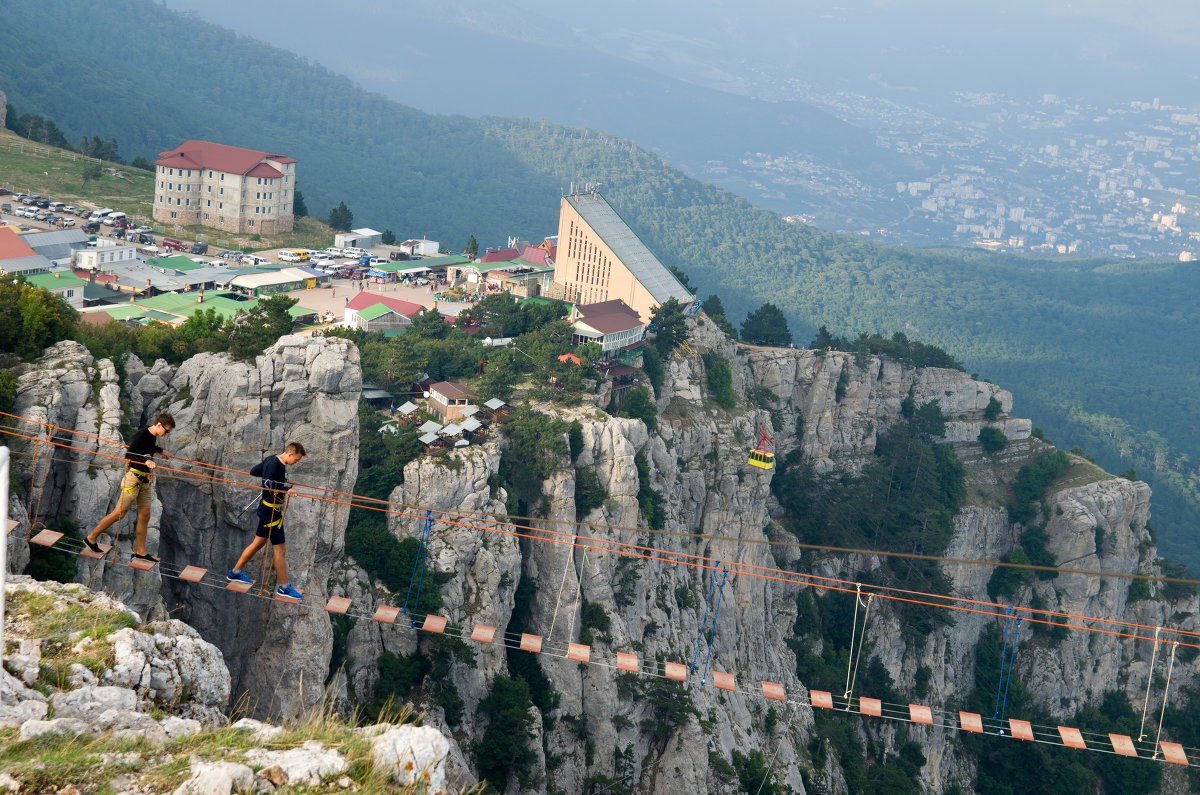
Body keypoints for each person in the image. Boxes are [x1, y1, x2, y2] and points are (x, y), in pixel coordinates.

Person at [84, 412, 175, 563]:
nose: (167, 433)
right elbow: (130, 455)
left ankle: (140, 551)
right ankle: (91, 538)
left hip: (145, 481)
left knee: (145, 515)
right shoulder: (140, 435)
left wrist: (159, 450)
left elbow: (146, 448)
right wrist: (146, 461)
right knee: (119, 513)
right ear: (159, 425)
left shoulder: (152, 436)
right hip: (133, 479)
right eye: (166, 430)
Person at [227, 442, 307, 599]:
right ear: (290, 454)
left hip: (266, 510)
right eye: (296, 460)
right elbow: (268, 484)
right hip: (271, 514)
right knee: (280, 550)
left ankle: (235, 572)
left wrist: (281, 483)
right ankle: (284, 587)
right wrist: (286, 489)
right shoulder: (276, 465)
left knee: (259, 543)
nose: (296, 463)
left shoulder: (272, 459)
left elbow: (254, 471)